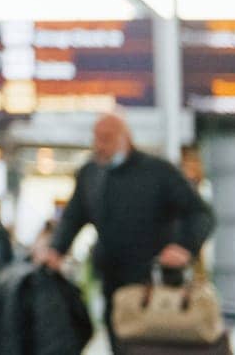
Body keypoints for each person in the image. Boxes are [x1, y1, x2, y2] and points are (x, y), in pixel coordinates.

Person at [35, 112, 215, 353]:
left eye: (106, 139)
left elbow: (200, 213)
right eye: (96, 138)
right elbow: (73, 217)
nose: (99, 146)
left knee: (154, 346)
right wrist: (56, 249)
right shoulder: (91, 175)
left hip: (156, 282)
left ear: (125, 138)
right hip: (113, 282)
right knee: (119, 342)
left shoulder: (159, 171)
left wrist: (184, 246)